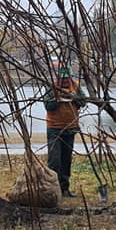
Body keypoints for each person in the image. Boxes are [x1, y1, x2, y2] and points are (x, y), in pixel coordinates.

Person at [42, 65, 85, 198]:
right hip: (54, 128)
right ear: (58, 79)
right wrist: (57, 97)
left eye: (67, 78)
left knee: (66, 160)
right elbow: (48, 106)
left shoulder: (76, 86)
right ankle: (54, 190)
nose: (65, 81)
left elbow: (83, 101)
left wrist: (74, 97)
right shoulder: (52, 88)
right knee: (54, 161)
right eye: (63, 79)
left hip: (70, 128)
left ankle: (65, 188)